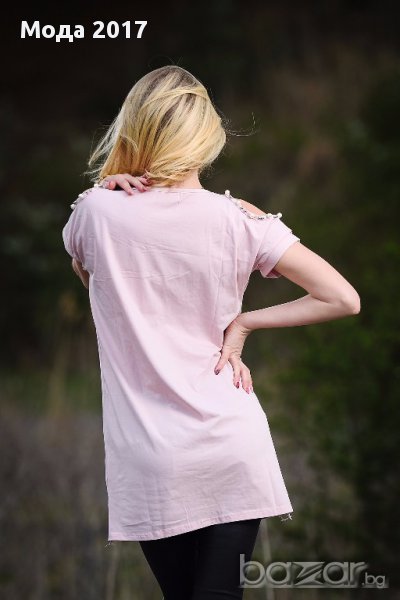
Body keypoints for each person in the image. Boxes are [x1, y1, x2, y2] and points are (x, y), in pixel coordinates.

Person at [62, 65, 361, 600]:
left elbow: (87, 274)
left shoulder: (95, 213)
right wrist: (246, 322)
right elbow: (343, 298)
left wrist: (109, 186)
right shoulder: (241, 220)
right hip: (231, 444)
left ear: (134, 128)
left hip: (151, 456)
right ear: (207, 136)